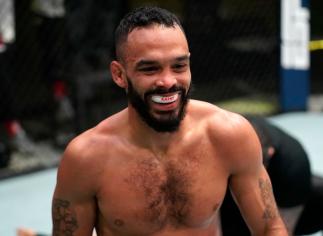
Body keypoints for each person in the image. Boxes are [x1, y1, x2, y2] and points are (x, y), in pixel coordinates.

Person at [51, 6, 288, 235]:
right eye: (150, 69)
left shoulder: (228, 134)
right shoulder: (86, 158)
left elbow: (270, 228)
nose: (168, 81)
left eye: (178, 66)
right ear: (119, 75)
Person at [221, 116, 323, 235]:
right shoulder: (228, 137)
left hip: (291, 200)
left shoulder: (294, 167)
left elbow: (282, 228)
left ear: (270, 153)